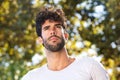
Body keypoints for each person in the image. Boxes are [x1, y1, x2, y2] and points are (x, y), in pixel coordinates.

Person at [21, 6, 109, 80]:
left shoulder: (89, 66)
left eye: (57, 26)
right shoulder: (31, 77)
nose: (52, 31)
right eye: (47, 28)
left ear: (66, 36)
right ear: (40, 40)